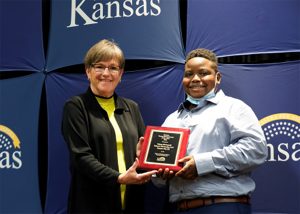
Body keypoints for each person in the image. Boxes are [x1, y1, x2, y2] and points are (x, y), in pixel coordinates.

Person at [154, 48, 268, 213]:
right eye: (188, 74)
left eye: (203, 73)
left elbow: (256, 149)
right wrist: (157, 171)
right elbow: (158, 178)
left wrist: (202, 164)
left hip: (222, 206)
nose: (195, 79)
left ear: (218, 77)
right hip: (179, 208)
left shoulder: (235, 108)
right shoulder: (172, 119)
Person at [62, 39, 156, 214]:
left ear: (120, 74)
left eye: (113, 68)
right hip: (92, 204)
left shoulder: (131, 107)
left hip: (131, 203)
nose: (106, 73)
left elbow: (143, 153)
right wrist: (119, 178)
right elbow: (81, 157)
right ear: (88, 71)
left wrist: (143, 157)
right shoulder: (76, 106)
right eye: (99, 66)